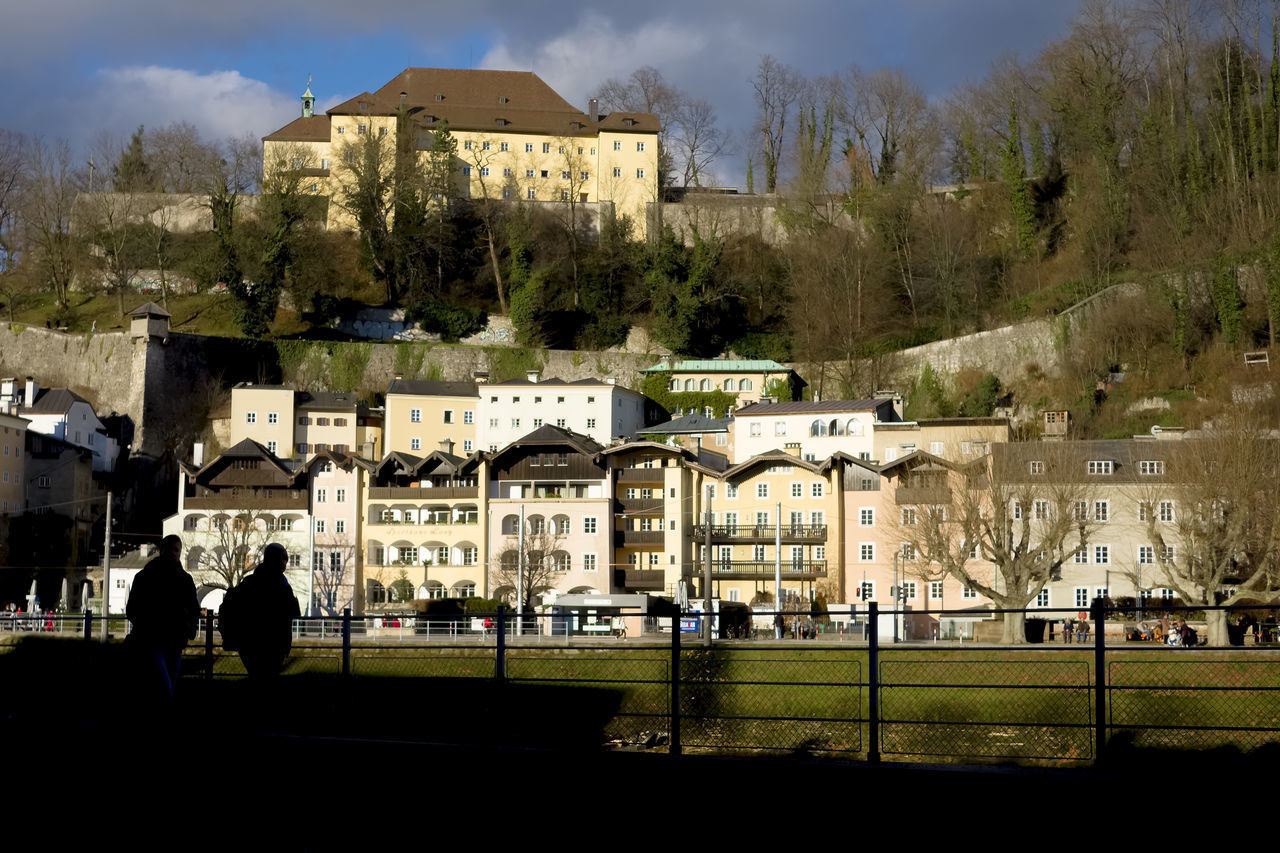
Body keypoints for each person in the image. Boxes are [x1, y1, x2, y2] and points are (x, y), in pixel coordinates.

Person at [126, 534, 200, 699]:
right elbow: (194, 609)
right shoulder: (183, 580)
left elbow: (132, 609)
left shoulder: (145, 576)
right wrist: (188, 629)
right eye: (171, 549)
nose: (173, 553)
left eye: (176, 550)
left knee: (164, 687)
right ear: (162, 550)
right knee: (167, 687)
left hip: (162, 641)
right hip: (159, 642)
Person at [219, 543, 301, 677]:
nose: (285, 565)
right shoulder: (282, 586)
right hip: (274, 645)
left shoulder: (249, 582)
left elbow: (231, 605)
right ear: (279, 560)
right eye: (284, 560)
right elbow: (293, 612)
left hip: (250, 645)